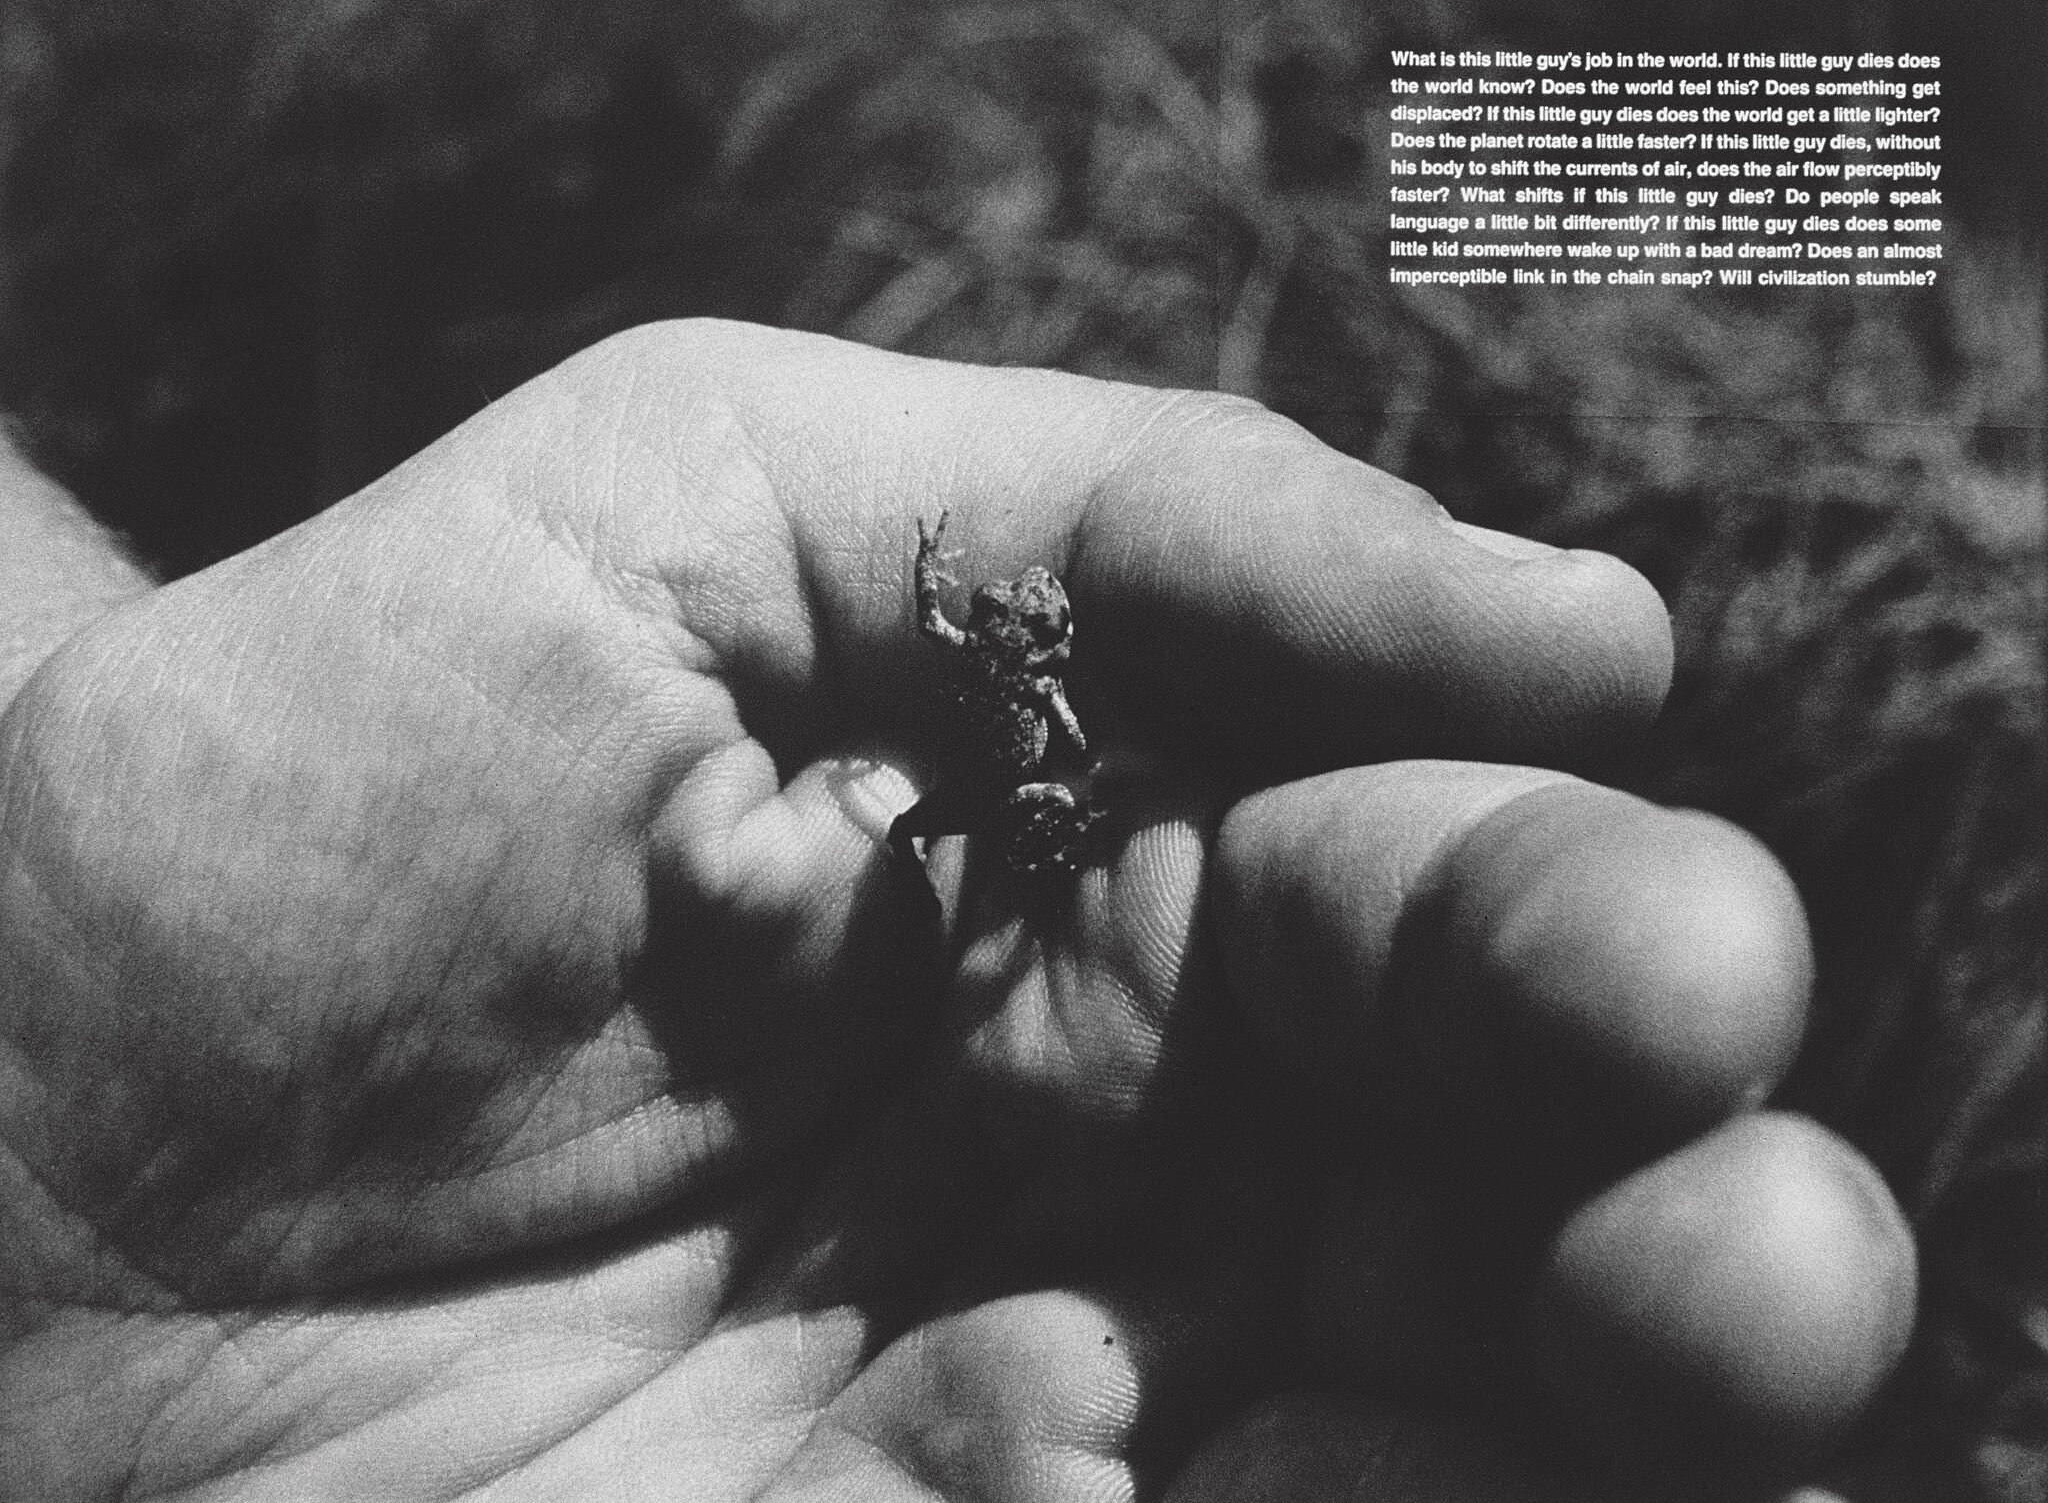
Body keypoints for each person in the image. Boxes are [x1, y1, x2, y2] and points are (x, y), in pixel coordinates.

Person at [0, 320, 1914, 1499]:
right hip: (993, 811)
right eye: (1014, 613)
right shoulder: (989, 653)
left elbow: (1026, 703)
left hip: (1034, 810)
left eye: (1028, 615)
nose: (1025, 615)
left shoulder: (1038, 666)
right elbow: (951, 647)